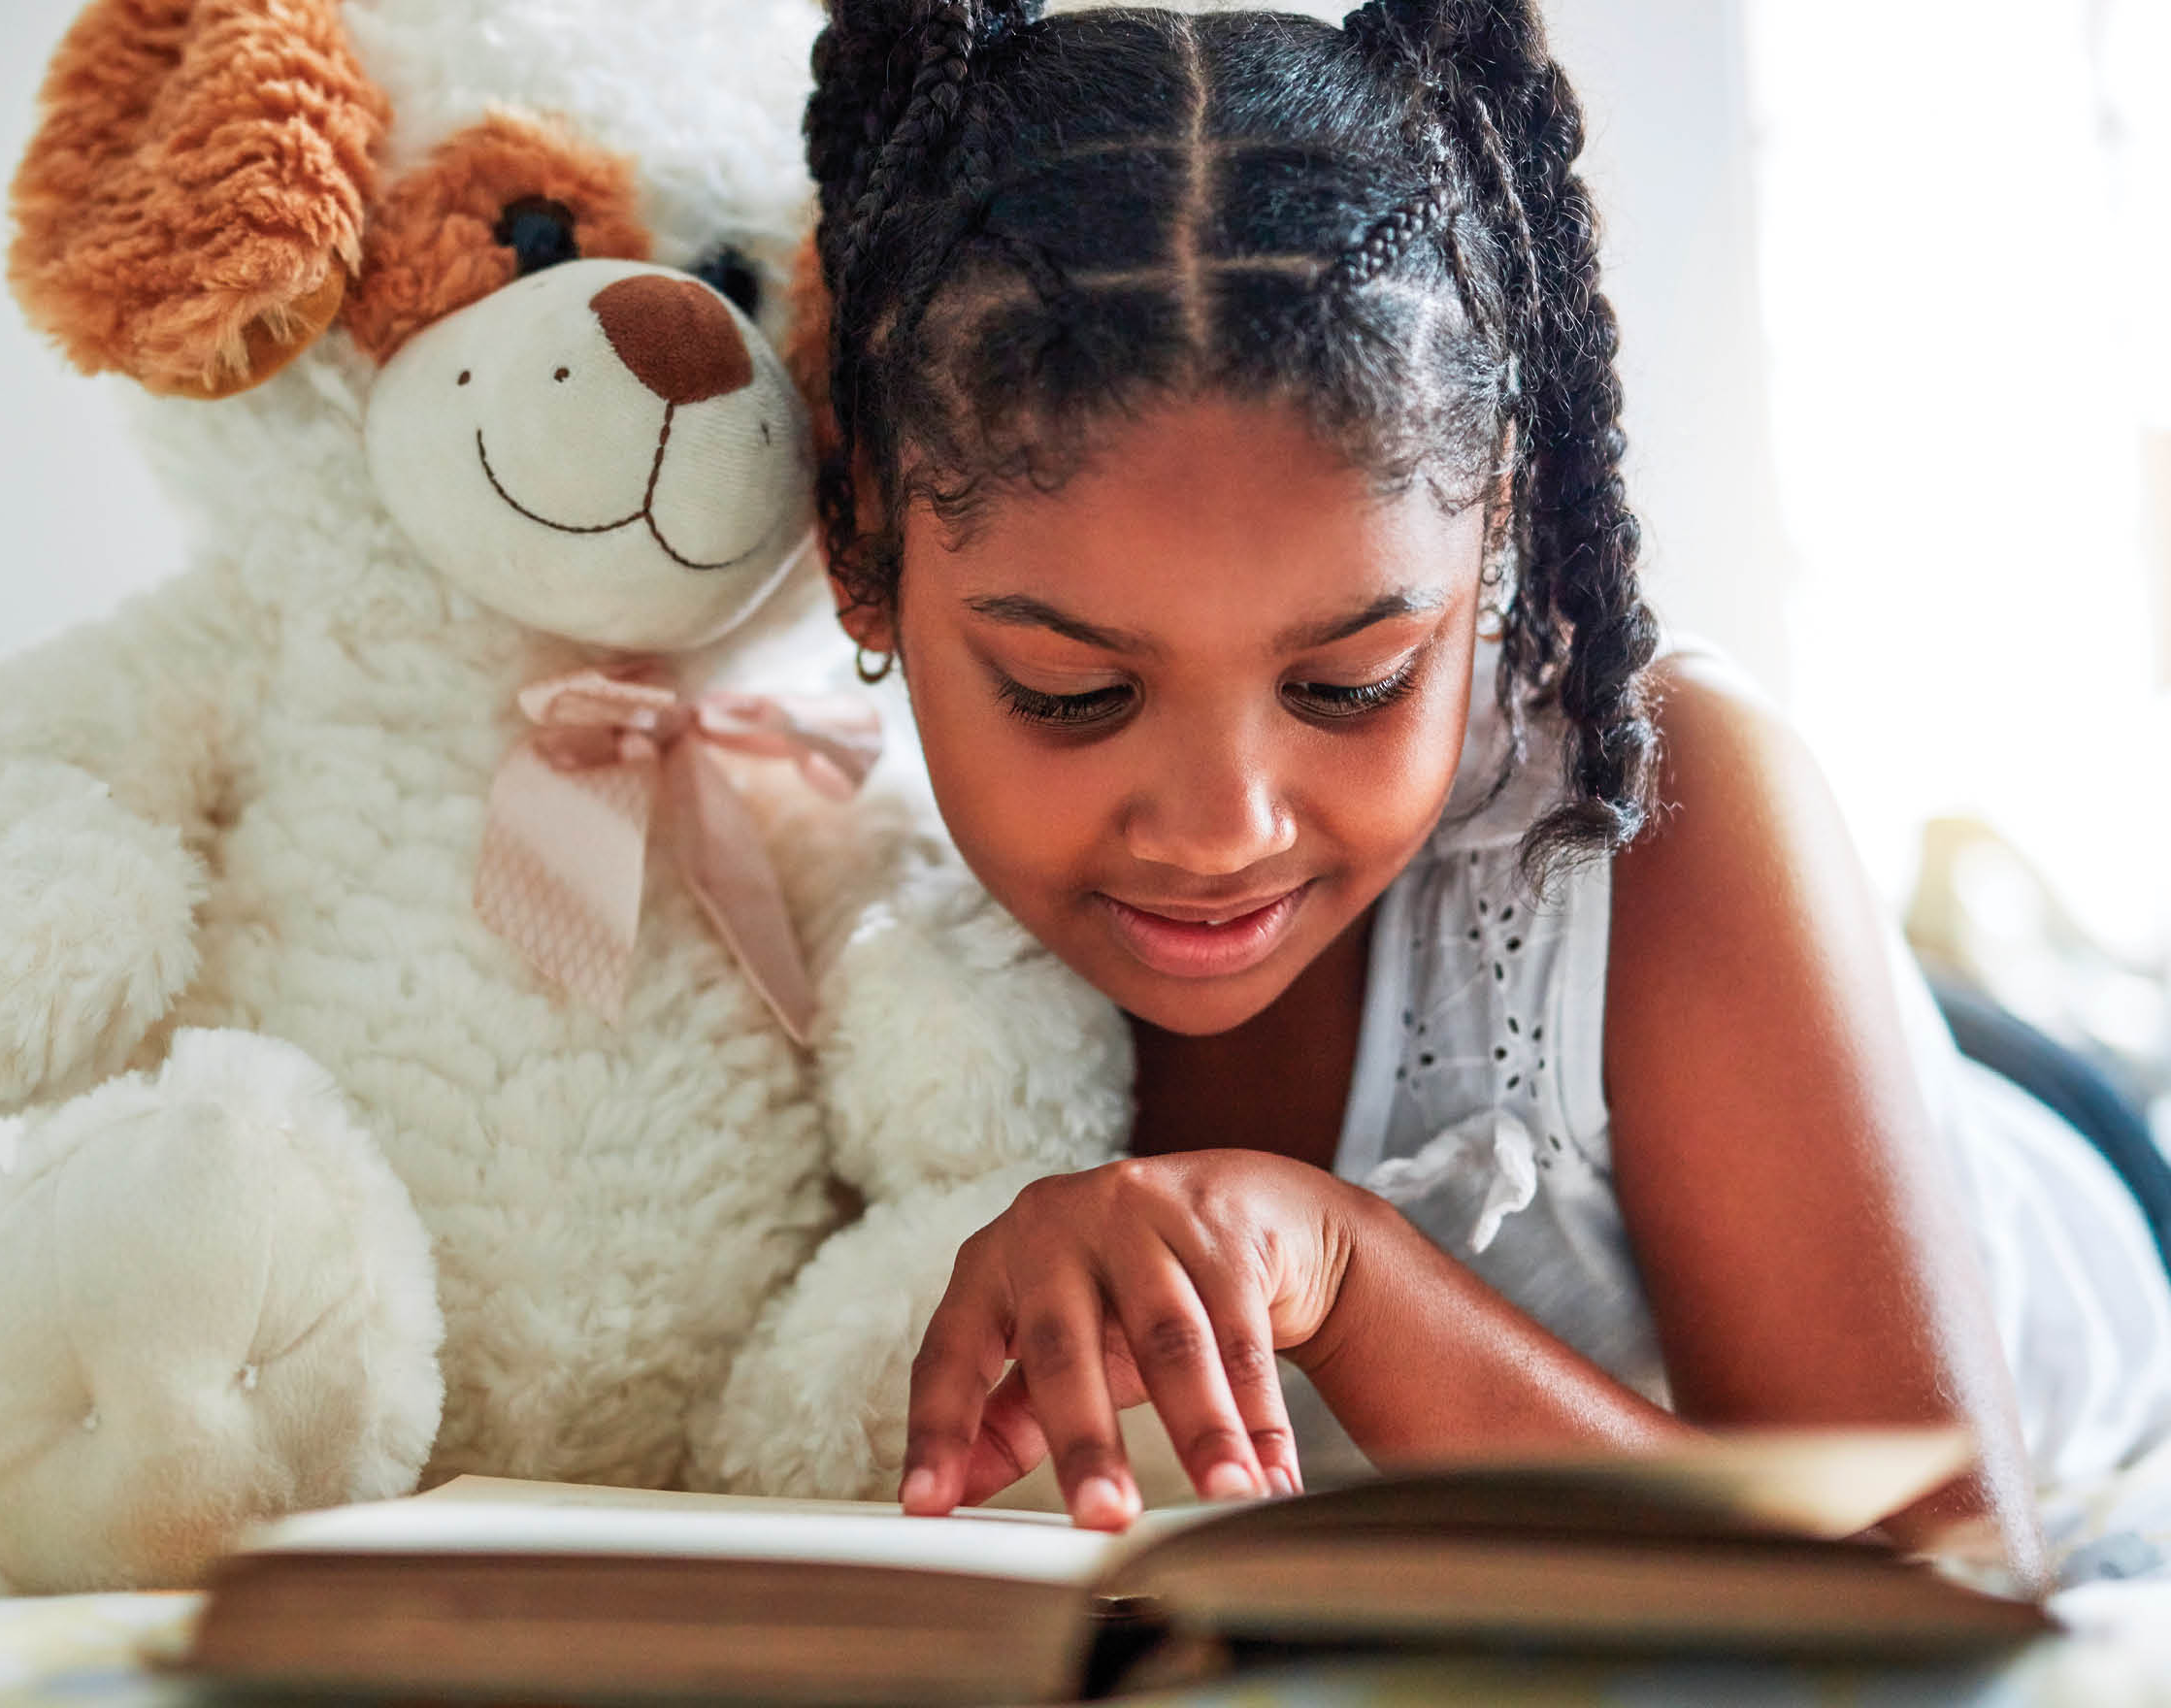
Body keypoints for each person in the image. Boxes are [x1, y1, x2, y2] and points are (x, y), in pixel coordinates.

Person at [801, 0, 2171, 1589]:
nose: (1222, 827)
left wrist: (1355, 1277)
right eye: (1071, 696)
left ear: (1497, 529)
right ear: (861, 541)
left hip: (2071, 1194)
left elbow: (1942, 1587)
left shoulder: (1647, 799)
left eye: (1352, 684)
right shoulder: (811, 858)